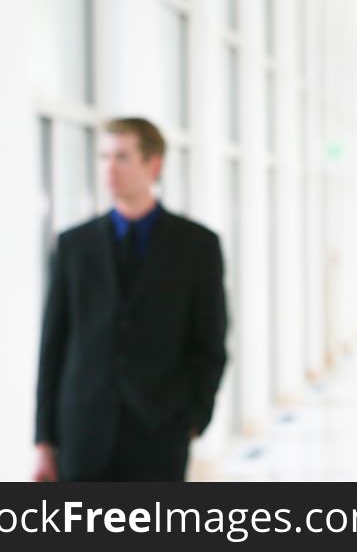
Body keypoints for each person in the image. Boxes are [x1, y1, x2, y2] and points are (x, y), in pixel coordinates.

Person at [33, 117, 228, 481]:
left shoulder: (196, 246)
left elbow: (210, 342)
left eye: (121, 157)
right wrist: (44, 441)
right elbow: (53, 345)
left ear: (153, 165)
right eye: (104, 156)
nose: (109, 168)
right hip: (82, 434)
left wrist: (194, 417)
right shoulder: (73, 245)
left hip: (160, 432)